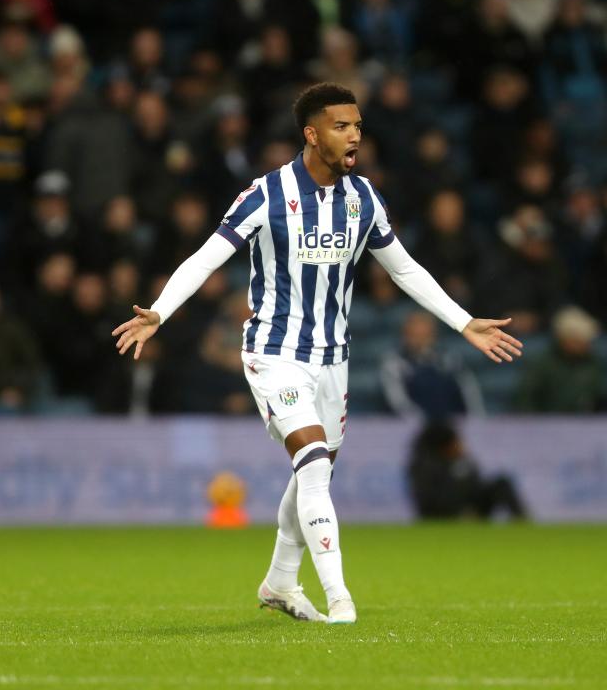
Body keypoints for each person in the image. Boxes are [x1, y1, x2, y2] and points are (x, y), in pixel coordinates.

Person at [112, 83, 522, 624]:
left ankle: (280, 582)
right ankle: (341, 601)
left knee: (316, 472)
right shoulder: (265, 194)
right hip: (274, 353)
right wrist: (160, 311)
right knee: (310, 464)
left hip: (334, 360)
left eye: (357, 125)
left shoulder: (362, 197)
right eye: (341, 126)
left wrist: (463, 322)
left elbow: (402, 268)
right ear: (312, 134)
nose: (355, 135)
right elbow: (205, 258)